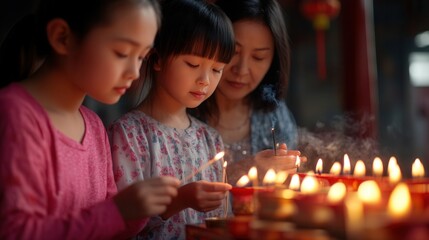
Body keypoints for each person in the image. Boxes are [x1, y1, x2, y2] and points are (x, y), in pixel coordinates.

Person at [0, 0, 181, 239]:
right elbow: (16, 232)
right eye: (122, 53)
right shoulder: (15, 113)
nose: (135, 73)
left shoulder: (94, 126)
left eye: (141, 57)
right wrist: (118, 210)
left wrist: (139, 208)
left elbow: (108, 229)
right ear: (62, 37)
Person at [108, 0, 234, 238]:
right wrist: (179, 200)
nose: (205, 80)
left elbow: (226, 216)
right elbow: (120, 224)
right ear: (157, 59)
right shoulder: (128, 134)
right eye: (193, 64)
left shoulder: (210, 139)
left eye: (217, 69)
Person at [191, 0, 301, 184]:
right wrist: (247, 169)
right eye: (233, 51)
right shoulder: (182, 112)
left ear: (273, 61)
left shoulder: (274, 115)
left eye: (258, 57)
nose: (241, 70)